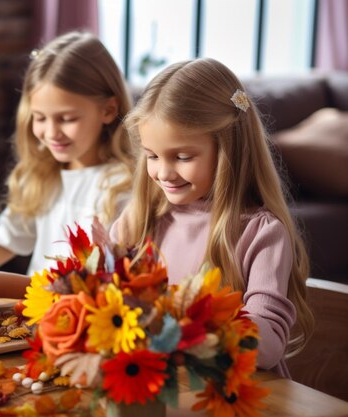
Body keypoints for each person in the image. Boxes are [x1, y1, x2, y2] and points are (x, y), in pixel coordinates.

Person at [112, 58, 313, 377]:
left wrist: (183, 318)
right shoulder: (139, 220)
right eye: (152, 156)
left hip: (239, 397)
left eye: (182, 156)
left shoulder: (261, 233)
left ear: (228, 150)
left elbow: (269, 345)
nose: (163, 173)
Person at [0, 31, 134, 301]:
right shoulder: (44, 174)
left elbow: (100, 285)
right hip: (33, 320)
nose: (51, 132)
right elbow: (6, 238)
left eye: (66, 118)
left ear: (109, 110)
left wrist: (9, 287)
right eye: (40, 118)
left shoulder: (123, 186)